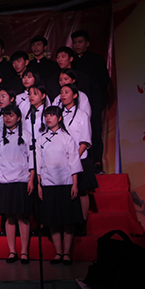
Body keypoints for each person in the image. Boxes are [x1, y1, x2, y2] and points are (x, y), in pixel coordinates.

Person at [36, 106, 83, 265]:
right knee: (53, 220)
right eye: (46, 115)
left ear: (60, 118)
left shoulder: (67, 138)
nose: (48, 118)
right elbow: (38, 163)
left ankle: (67, 253)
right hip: (48, 183)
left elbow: (74, 161)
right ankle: (58, 252)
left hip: (66, 183)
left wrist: (75, 184)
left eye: (52, 115)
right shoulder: (41, 139)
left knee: (67, 220)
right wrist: (39, 184)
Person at [0, 105, 34, 264]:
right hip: (4, 180)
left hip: (22, 180)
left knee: (22, 216)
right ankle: (12, 251)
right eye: (5, 115)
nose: (7, 118)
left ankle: (24, 251)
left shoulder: (27, 135)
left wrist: (31, 179)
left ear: (18, 117)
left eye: (11, 115)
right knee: (9, 217)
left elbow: (31, 158)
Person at [59, 84, 97, 234]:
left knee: (82, 191)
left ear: (75, 95)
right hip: (62, 160)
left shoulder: (82, 115)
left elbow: (85, 140)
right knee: (66, 192)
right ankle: (68, 222)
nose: (63, 95)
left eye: (66, 92)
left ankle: (82, 222)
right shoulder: (58, 115)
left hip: (80, 158)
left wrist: (74, 158)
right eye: (61, 93)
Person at [71, 30, 110, 172]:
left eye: (80, 42)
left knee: (94, 130)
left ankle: (97, 163)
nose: (77, 45)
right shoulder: (72, 61)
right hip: (75, 103)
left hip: (93, 100)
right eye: (75, 43)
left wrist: (95, 94)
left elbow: (104, 80)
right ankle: (80, 163)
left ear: (87, 43)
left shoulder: (96, 59)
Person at [27, 35, 60, 100]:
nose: (35, 47)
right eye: (33, 45)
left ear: (45, 47)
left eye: (38, 44)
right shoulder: (28, 65)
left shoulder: (53, 65)